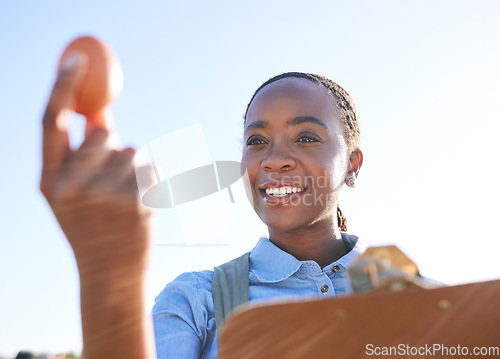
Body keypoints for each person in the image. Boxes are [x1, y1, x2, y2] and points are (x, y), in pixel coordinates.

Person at [41, 53, 362, 359]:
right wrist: (109, 277)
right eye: (256, 141)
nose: (274, 160)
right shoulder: (196, 302)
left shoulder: (407, 293)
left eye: (306, 137)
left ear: (352, 164)